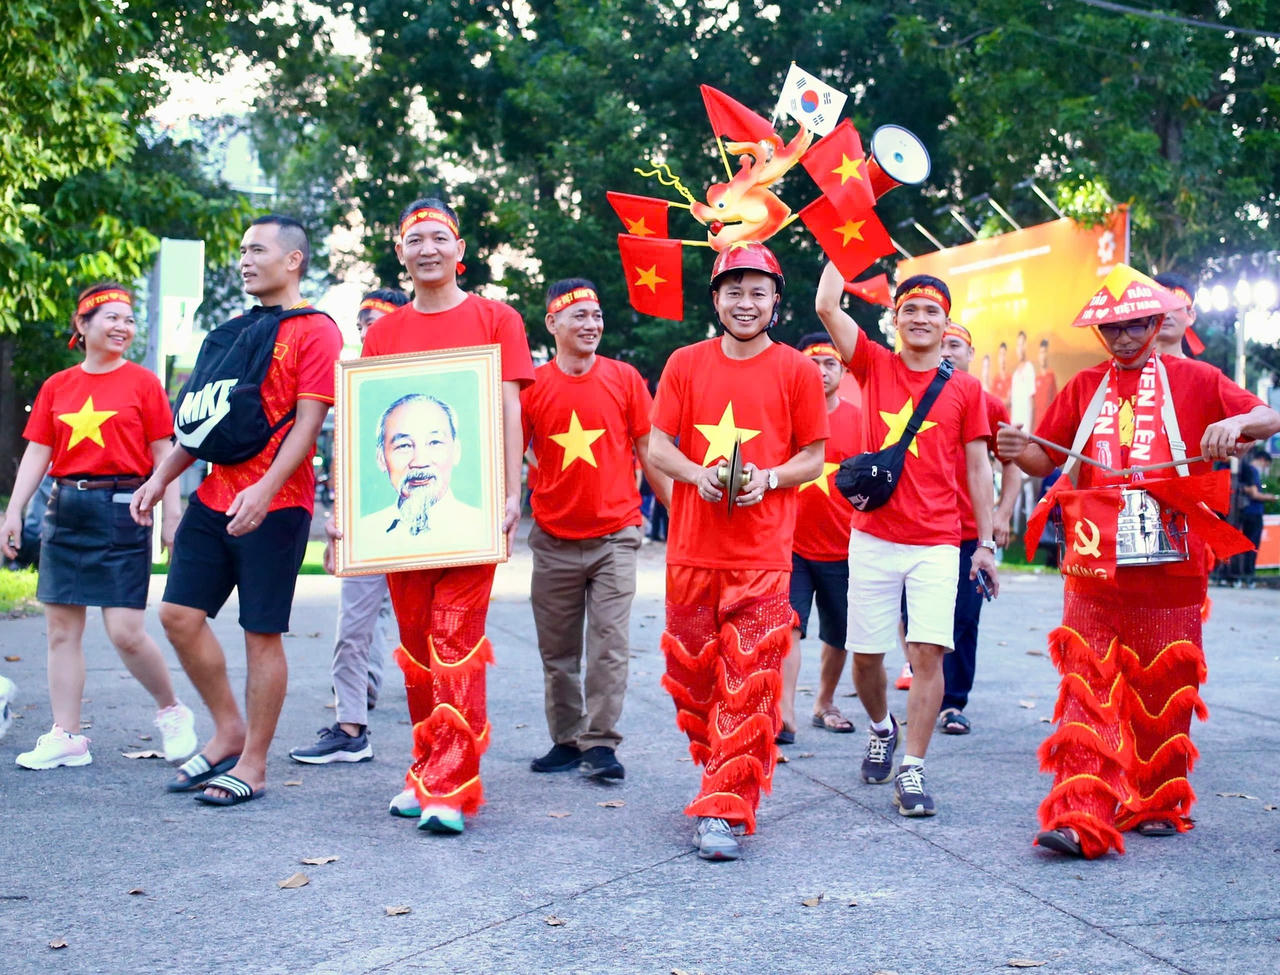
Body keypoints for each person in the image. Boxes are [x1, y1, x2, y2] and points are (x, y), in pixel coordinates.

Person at [997, 264, 1280, 859]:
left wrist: (1235, 422)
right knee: (1084, 684)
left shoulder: (1198, 378)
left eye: (1135, 325)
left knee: (1164, 684)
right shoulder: (1083, 387)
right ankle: (1080, 815)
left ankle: (1157, 800)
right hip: (1094, 558)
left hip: (1173, 563)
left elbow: (1269, 417)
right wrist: (1020, 451)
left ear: (1157, 322)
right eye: (1113, 329)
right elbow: (1043, 462)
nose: (1124, 338)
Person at [131, 215, 343, 806]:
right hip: (214, 494)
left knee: (260, 634)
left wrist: (268, 489)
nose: (245, 260)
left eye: (257, 250)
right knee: (177, 614)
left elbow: (309, 424)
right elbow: (200, 421)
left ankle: (253, 764)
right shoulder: (229, 331)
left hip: (276, 505)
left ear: (293, 260)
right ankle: (228, 729)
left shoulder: (318, 330)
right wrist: (160, 478)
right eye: (242, 251)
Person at [341, 196, 534, 834]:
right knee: (418, 648)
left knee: (454, 641)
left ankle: (449, 785)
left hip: (470, 514)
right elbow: (372, 422)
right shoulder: (383, 333)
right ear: (401, 253)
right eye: (414, 239)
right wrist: (353, 509)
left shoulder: (496, 319)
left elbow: (509, 409)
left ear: (460, 251)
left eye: (438, 238)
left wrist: (510, 491)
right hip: (403, 523)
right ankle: (424, 765)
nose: (427, 249)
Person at [648, 242, 827, 861]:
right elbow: (657, 447)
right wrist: (697, 474)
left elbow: (814, 456)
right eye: (733, 291)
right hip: (692, 552)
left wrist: (770, 478)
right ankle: (718, 768)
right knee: (696, 683)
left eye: (758, 292)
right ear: (716, 299)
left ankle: (725, 807)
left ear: (777, 301)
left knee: (749, 682)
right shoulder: (683, 363)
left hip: (763, 556)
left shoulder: (798, 371)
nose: (744, 303)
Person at [815, 262, 1000, 818]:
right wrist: (843, 226)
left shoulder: (966, 389)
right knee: (865, 658)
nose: (921, 318)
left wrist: (985, 543)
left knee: (926, 654)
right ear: (895, 319)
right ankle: (880, 727)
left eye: (932, 311)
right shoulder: (872, 363)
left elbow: (978, 470)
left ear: (947, 324)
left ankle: (913, 770)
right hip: (872, 537)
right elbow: (827, 305)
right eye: (910, 310)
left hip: (939, 542)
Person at [1, 282, 196, 770]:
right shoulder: (57, 386)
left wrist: (173, 514)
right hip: (65, 508)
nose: (122, 327)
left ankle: (172, 711)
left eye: (128, 320)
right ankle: (66, 734)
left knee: (125, 630)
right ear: (82, 325)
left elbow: (163, 454)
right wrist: (15, 510)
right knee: (60, 631)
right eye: (110, 317)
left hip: (124, 508)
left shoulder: (144, 383)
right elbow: (39, 452)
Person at [521, 278, 672, 781]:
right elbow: (507, 455)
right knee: (558, 650)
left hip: (616, 537)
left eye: (597, 316)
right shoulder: (531, 387)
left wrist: (679, 516)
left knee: (609, 643)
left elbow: (650, 451)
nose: (591, 325)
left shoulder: (626, 378)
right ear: (553, 324)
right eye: (579, 316)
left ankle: (601, 742)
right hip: (553, 539)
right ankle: (566, 739)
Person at [291, 288, 408, 765]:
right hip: (366, 526)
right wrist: (336, 522)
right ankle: (351, 726)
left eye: (378, 321)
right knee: (355, 627)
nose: (368, 329)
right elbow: (347, 463)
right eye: (362, 321)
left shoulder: (436, 377)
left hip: (429, 525)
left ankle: (446, 729)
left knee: (427, 631)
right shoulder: (353, 387)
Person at [934, 322, 1021, 734]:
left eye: (956, 345)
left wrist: (1002, 515)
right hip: (922, 528)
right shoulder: (914, 395)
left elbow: (1012, 468)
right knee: (915, 616)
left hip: (970, 530)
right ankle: (927, 689)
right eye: (942, 344)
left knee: (964, 617)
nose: (947, 351)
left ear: (970, 354)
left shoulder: (990, 404)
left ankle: (952, 703)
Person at [778, 332, 861, 743]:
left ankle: (824, 702)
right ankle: (784, 711)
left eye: (830, 363)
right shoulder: (782, 416)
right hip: (788, 544)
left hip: (845, 548)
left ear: (843, 370)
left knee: (839, 633)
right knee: (788, 626)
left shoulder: (861, 420)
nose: (822, 371)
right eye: (813, 363)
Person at [351, 393, 487, 558]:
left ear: (456, 451)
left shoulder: (481, 529)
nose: (420, 461)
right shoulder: (362, 534)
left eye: (434, 442)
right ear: (381, 458)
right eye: (404, 446)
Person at [1232, 447, 1275, 587]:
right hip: (1253, 512)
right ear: (1263, 460)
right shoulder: (1253, 470)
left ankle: (1237, 577)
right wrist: (1271, 497)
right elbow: (1254, 493)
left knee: (1241, 546)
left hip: (1241, 512)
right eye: (1267, 465)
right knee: (1252, 546)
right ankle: (1248, 577)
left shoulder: (1242, 469)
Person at [1153, 272, 1199, 358]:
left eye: (1176, 307)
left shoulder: (1205, 371)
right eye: (1160, 306)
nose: (1166, 315)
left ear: (1191, 316)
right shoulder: (1125, 369)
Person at [1009, 330, 1036, 429]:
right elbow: (1011, 404)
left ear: (1025, 346)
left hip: (1026, 428)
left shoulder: (1029, 368)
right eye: (1018, 345)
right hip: (1014, 427)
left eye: (1022, 344)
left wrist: (1031, 431)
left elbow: (1032, 403)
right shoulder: (1015, 375)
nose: (1020, 348)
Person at [1032, 338, 1057, 430]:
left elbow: (1055, 401)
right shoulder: (1036, 378)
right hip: (1036, 425)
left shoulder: (1051, 376)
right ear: (1038, 355)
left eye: (1045, 352)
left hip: (1048, 424)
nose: (1043, 355)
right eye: (1041, 352)